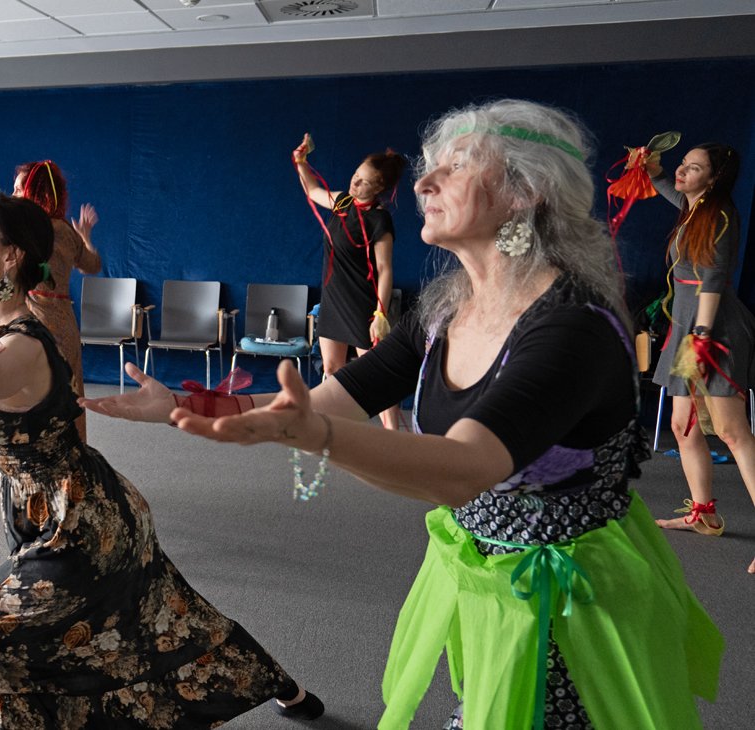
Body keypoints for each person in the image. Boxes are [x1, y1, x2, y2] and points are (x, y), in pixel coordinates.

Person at [87, 100, 722, 728]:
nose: (423, 183)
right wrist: (187, 403)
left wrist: (316, 435)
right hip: (492, 585)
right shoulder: (446, 310)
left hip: (575, 606)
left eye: (456, 166)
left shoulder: (573, 326)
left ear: (525, 192)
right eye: (428, 166)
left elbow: (463, 468)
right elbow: (335, 397)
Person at [0, 192, 324, 727]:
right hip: (38, 508)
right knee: (152, 618)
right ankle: (286, 688)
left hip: (84, 521)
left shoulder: (23, 344)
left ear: (10, 255)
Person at [644, 143, 755, 573]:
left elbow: (712, 278)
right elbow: (668, 188)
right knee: (682, 426)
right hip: (688, 330)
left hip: (711, 330)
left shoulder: (719, 215)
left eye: (693, 168)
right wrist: (654, 170)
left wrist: (703, 337)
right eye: (683, 165)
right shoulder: (693, 208)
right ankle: (704, 514)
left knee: (731, 432)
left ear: (713, 178)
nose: (682, 172)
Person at [292, 139, 406, 429]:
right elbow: (313, 191)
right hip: (332, 300)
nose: (355, 182)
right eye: (356, 175)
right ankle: (333, 430)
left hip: (362, 304)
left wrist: (380, 313)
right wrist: (301, 163)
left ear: (378, 187)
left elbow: (385, 269)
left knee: (378, 376)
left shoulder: (380, 220)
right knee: (332, 369)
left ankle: (394, 435)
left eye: (363, 181)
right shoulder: (343, 202)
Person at [13, 159, 102, 440]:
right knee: (69, 392)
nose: (13, 195)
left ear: (34, 191)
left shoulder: (25, 232)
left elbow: (5, 279)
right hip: (64, 322)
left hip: (33, 321)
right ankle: (73, 454)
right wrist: (85, 238)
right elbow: (93, 265)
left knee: (32, 394)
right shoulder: (65, 230)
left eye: (19, 189)